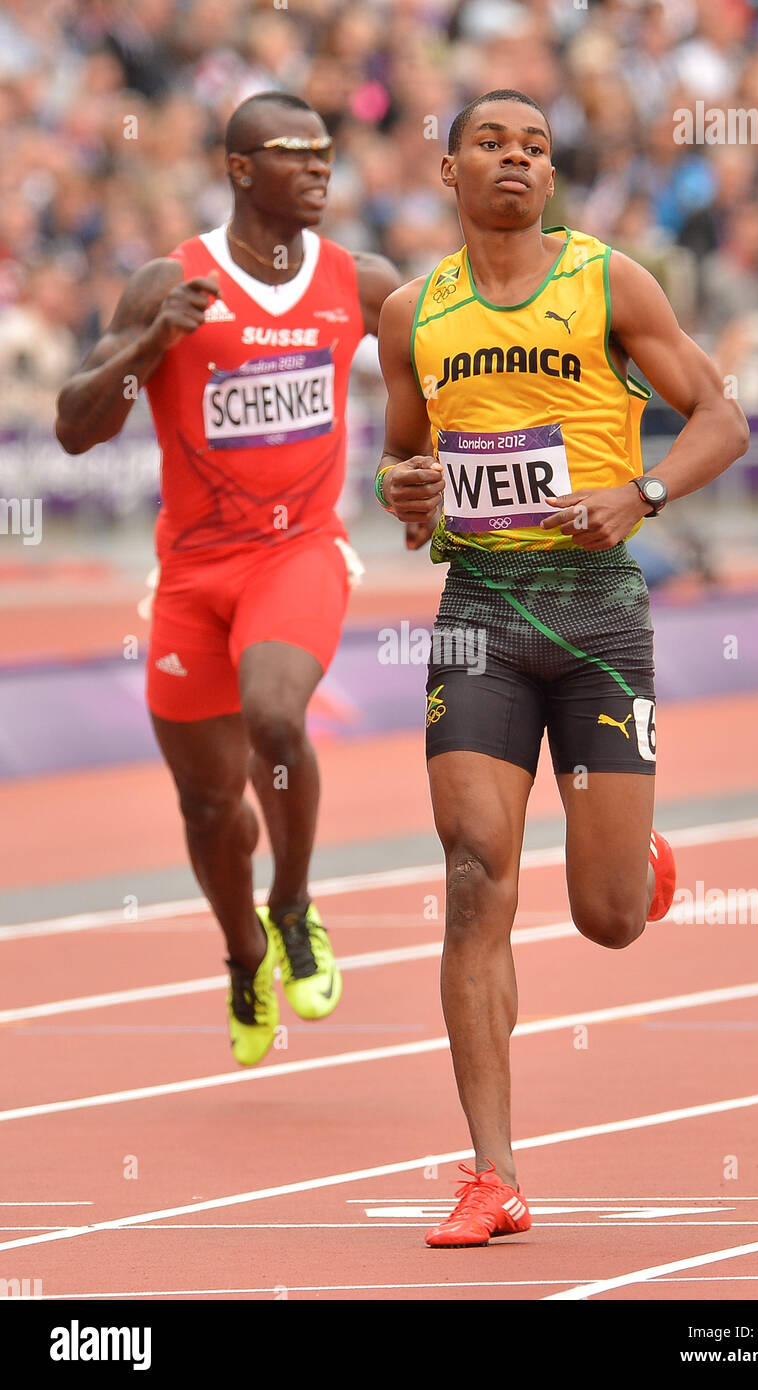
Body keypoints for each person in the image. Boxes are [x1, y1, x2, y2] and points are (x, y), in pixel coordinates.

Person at [375, 89, 749, 1248]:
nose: (515, 161)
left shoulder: (608, 282)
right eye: (490, 143)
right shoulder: (409, 313)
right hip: (481, 608)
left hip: (597, 619)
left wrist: (637, 495)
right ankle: (492, 1173)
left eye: (534, 147)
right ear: (448, 173)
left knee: (607, 919)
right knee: (476, 875)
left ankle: (634, 864)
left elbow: (719, 419)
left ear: (550, 175)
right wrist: (405, 493)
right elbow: (401, 471)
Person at [56, 92, 401, 1068]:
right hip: (193, 574)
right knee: (209, 807)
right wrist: (149, 341)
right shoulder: (173, 279)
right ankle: (244, 952)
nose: (322, 169)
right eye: (297, 154)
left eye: (329, 154)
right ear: (241, 169)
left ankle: (292, 906)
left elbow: (448, 358)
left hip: (299, 551)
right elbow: (76, 426)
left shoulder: (360, 280)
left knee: (278, 716)